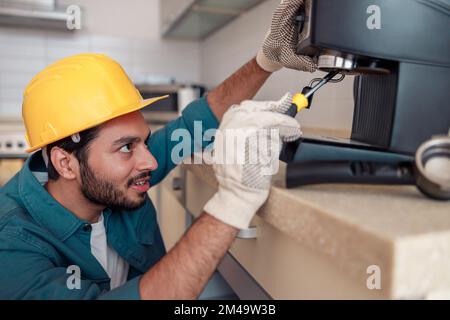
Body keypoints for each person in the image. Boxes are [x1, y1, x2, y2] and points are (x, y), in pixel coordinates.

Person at [0, 0, 316, 299]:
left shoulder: (113, 178)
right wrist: (234, 201)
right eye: (126, 147)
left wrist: (266, 61)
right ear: (65, 163)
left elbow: (197, 123)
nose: (151, 161)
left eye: (144, 141)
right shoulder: (13, 244)